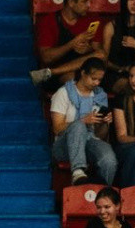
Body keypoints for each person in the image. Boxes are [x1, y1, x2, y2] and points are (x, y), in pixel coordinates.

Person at [49, 58, 116, 186]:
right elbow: (57, 129)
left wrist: (103, 123)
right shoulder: (63, 93)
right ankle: (78, 172)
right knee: (79, 125)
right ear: (83, 73)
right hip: (64, 146)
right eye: (93, 78)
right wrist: (83, 121)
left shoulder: (100, 96)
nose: (96, 83)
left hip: (89, 141)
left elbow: (100, 135)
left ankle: (104, 192)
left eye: (99, 80)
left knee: (108, 159)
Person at [30, 0, 105, 88]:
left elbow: (98, 52)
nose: (88, 5)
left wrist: (87, 49)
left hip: (82, 69)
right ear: (71, 2)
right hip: (58, 73)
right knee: (75, 80)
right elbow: (46, 58)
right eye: (84, 2)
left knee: (100, 55)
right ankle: (53, 73)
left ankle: (51, 72)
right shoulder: (49, 21)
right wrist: (73, 43)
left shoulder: (92, 19)